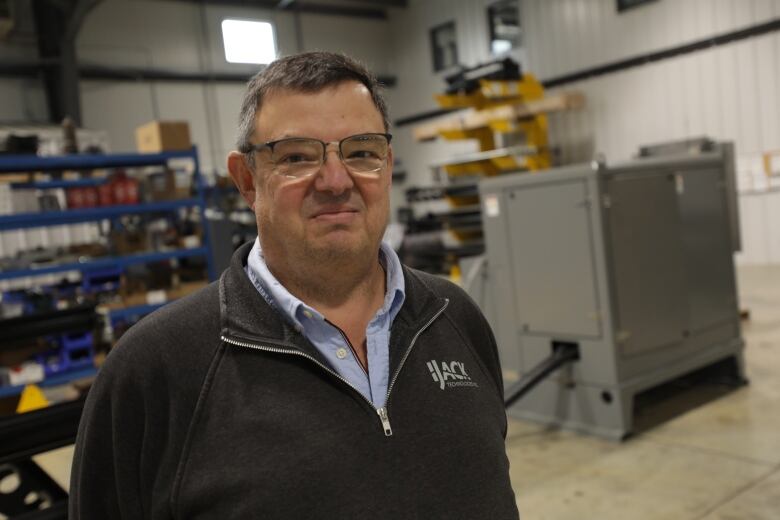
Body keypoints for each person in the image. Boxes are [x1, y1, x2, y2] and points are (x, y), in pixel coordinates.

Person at [70, 51, 519, 519]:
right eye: (297, 157)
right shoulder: (155, 369)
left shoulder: (454, 316)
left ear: (386, 165)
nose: (334, 180)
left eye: (361, 151)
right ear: (247, 180)